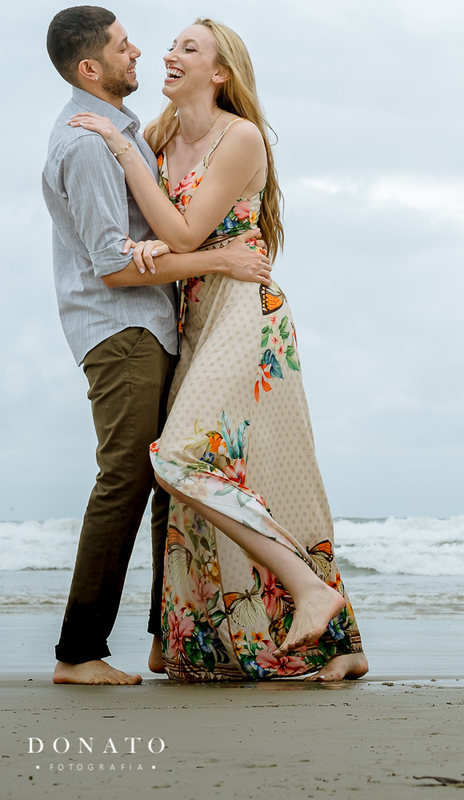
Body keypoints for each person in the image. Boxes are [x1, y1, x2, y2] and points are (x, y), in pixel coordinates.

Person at [71, 17, 368, 682]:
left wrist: (123, 157)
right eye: (172, 45)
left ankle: (310, 589)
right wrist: (143, 233)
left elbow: (182, 231)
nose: (169, 55)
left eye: (189, 48)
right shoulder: (158, 135)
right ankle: (340, 644)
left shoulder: (240, 137)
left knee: (180, 457)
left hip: (245, 311)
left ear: (220, 72)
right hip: (192, 317)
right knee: (249, 474)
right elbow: (156, 232)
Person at [43, 6, 273, 685]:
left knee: (169, 481)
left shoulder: (131, 132)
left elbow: (152, 231)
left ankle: (165, 640)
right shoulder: (90, 144)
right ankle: (79, 652)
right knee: (127, 478)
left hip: (157, 323)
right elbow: (114, 268)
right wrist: (219, 261)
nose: (139, 51)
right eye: (123, 46)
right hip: (122, 329)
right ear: (92, 67)